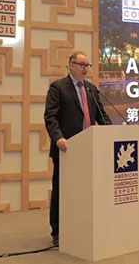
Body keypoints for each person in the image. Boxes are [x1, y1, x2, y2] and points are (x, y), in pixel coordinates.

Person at [44, 52, 111, 245]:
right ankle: (58, 231)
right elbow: (50, 117)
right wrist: (58, 138)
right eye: (82, 65)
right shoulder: (58, 87)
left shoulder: (91, 89)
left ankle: (82, 227)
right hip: (67, 148)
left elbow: (102, 116)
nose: (85, 69)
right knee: (62, 190)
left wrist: (112, 133)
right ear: (71, 65)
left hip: (89, 150)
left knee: (86, 190)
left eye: (87, 65)